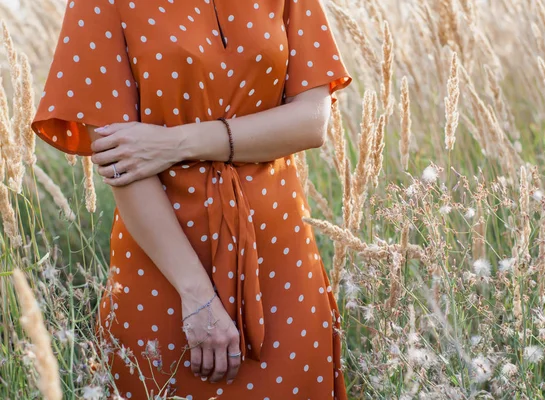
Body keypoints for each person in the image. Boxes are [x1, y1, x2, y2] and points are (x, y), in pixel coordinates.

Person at [30, 0, 353, 398]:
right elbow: (120, 160)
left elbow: (312, 121)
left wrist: (175, 143)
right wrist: (197, 298)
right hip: (165, 276)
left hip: (283, 267)